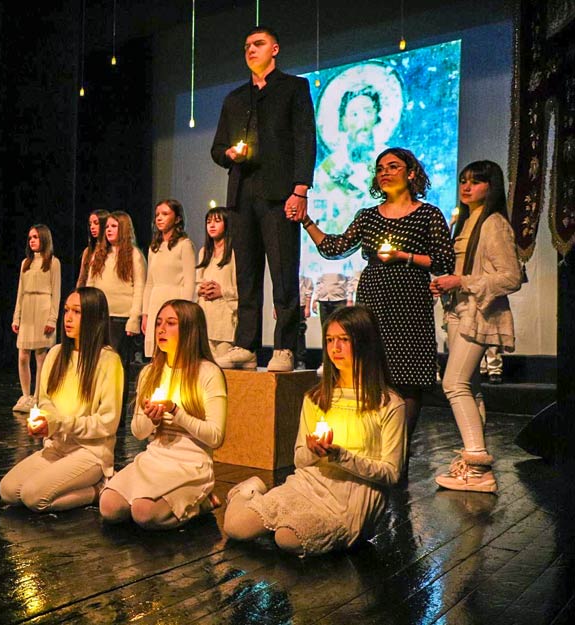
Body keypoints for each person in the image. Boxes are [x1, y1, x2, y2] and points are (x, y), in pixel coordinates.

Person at [302, 147, 455, 455]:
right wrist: (305, 221)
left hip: (410, 301)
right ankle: (371, 451)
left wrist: (403, 256)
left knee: (408, 378)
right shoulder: (368, 216)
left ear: (411, 173)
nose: (384, 172)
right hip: (373, 300)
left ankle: (399, 455)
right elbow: (335, 247)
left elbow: (444, 261)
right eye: (380, 168)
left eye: (393, 166)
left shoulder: (428, 214)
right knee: (372, 373)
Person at [223, 305, 405, 556]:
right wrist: (314, 450)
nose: (335, 348)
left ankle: (286, 522)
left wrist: (340, 456)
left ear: (365, 343)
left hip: (351, 497)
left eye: (344, 340)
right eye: (330, 340)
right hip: (308, 484)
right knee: (236, 527)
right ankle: (252, 490)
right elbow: (299, 460)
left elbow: (392, 473)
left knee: (287, 537)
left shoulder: (388, 403)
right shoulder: (317, 398)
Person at [210, 26, 316, 372]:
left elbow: (305, 140)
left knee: (284, 272)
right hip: (242, 194)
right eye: (246, 46)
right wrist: (229, 153)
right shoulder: (235, 98)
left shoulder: (293, 88)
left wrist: (300, 189)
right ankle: (246, 345)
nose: (250, 50)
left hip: (279, 193)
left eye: (258, 44)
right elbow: (217, 148)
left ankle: (285, 347)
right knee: (247, 275)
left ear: (275, 49)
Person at [429, 161, 520, 493]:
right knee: (469, 386)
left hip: (478, 312)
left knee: (454, 384)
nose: (467, 187)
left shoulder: (494, 223)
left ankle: (478, 465)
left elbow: (511, 277)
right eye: (463, 181)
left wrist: (462, 281)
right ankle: (473, 465)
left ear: (491, 186)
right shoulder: (466, 222)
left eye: (476, 182)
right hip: (460, 310)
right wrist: (448, 284)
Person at [100, 300, 227, 529]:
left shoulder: (208, 372)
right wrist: (153, 419)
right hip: (156, 457)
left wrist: (176, 411)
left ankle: (201, 503)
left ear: (190, 330)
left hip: (190, 464)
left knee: (144, 513)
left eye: (170, 323)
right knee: (109, 507)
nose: (161, 329)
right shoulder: (150, 372)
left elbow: (215, 437)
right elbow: (138, 433)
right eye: (158, 323)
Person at [0, 288, 124, 512]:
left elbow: (107, 422)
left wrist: (61, 423)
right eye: (66, 310)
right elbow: (45, 401)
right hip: (57, 447)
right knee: (8, 490)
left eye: (77, 312)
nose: (68, 317)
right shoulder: (56, 353)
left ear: (94, 318)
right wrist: (45, 423)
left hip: (90, 452)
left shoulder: (108, 360)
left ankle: (99, 489)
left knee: (33, 496)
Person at [87, 211, 146, 379]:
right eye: (107, 226)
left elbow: (140, 287)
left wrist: (134, 318)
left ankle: (118, 397)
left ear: (124, 229)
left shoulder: (134, 255)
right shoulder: (99, 254)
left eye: (114, 226)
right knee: (98, 364)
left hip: (121, 319)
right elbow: (90, 284)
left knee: (117, 366)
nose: (109, 230)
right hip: (100, 316)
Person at [12, 224, 61, 413]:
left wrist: (52, 319)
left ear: (44, 239)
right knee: (23, 354)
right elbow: (20, 292)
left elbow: (56, 293)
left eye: (36, 237)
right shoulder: (26, 263)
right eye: (30, 237)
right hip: (27, 308)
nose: (32, 240)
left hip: (43, 308)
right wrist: (16, 317)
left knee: (41, 356)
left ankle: (37, 396)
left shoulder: (53, 263)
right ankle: (25, 394)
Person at [142, 199, 197, 358]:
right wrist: (145, 313)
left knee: (174, 350)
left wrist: (184, 312)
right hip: (155, 302)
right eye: (157, 215)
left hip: (174, 300)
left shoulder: (184, 245)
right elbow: (149, 282)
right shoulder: (154, 248)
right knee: (155, 353)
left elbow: (190, 282)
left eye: (165, 214)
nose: (159, 218)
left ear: (177, 218)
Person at [195, 207, 239, 361]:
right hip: (206, 318)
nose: (212, 225)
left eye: (217, 221)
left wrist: (222, 291)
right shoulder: (204, 251)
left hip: (225, 320)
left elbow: (242, 288)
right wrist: (201, 289)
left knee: (223, 364)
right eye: (208, 222)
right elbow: (197, 281)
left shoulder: (233, 252)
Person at [77, 210, 110, 288]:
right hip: (90, 292)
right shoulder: (88, 251)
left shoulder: (111, 250)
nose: (92, 227)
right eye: (90, 224)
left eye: (96, 223)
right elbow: (82, 279)